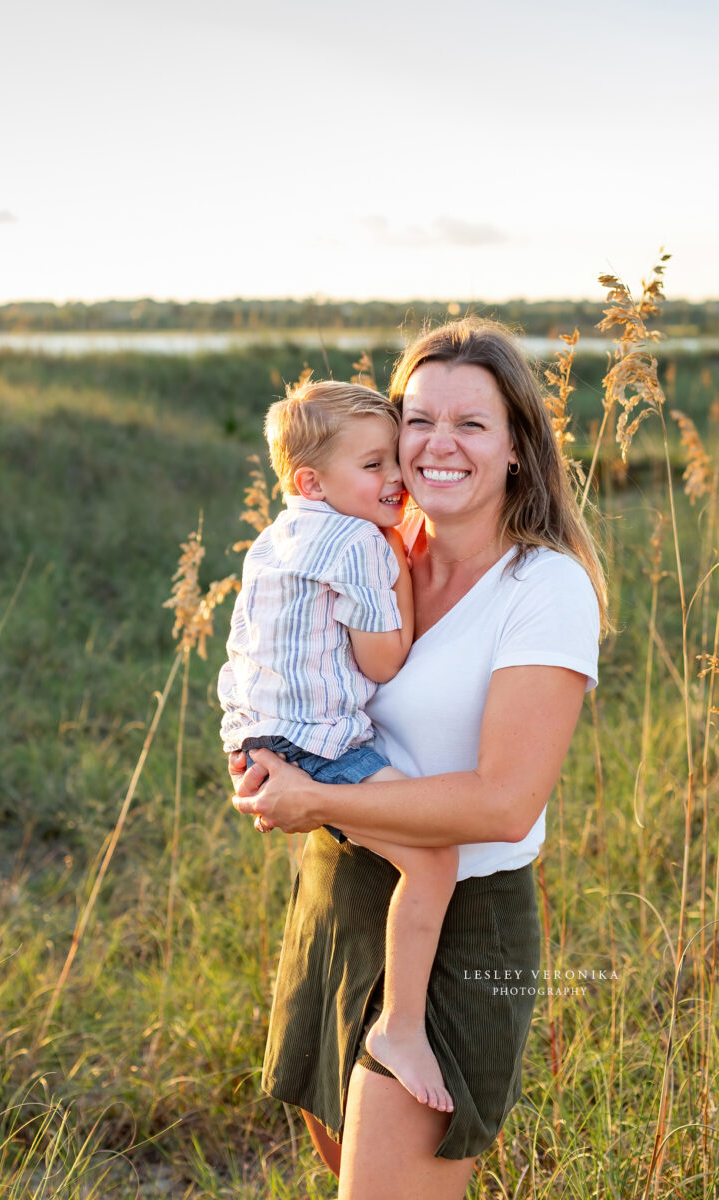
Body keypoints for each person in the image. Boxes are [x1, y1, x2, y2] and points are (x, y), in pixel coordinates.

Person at [230, 318, 607, 1200]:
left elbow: (503, 804)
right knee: (344, 1175)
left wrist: (313, 797)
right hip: (342, 894)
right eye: (418, 418)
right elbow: (286, 675)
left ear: (517, 447)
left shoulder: (543, 588)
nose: (438, 444)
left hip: (461, 921)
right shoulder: (372, 548)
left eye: (471, 424)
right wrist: (262, 761)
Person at [218, 379, 458, 1113]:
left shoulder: (273, 538)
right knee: (434, 858)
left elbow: (241, 649)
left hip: (260, 739)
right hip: (323, 748)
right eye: (374, 466)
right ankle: (401, 1028)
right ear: (310, 481)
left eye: (394, 460)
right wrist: (401, 576)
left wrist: (243, 741)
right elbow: (384, 662)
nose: (395, 480)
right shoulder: (360, 541)